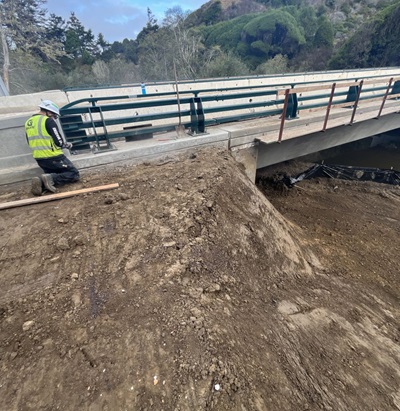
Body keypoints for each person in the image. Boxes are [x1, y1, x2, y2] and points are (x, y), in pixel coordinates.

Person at [25, 100, 80, 196]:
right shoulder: (48, 120)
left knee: (55, 173)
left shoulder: (28, 122)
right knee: (73, 174)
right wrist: (65, 145)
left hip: (39, 158)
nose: (54, 118)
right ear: (49, 112)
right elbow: (58, 142)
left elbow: (29, 141)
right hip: (53, 156)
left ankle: (41, 183)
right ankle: (48, 179)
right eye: (54, 116)